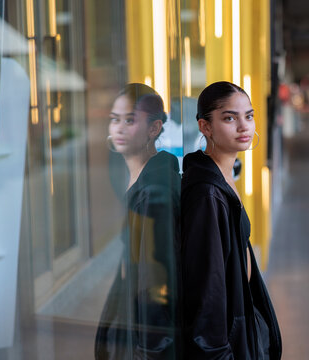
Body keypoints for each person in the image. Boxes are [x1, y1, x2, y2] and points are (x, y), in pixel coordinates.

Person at [180, 81, 282, 359]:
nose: (243, 126)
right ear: (205, 127)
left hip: (240, 319)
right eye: (229, 118)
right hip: (225, 339)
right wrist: (218, 353)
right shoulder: (207, 194)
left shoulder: (223, 176)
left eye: (248, 116)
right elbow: (206, 289)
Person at [95, 83, 181, 360]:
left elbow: (157, 285)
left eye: (130, 120)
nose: (119, 128)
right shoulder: (130, 177)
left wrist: (149, 350)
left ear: (154, 129)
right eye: (115, 119)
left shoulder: (155, 192)